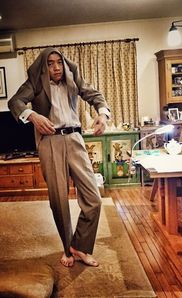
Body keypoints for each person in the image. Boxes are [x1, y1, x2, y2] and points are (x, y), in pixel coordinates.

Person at [8, 47, 110, 267]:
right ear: (44, 67)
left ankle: (80, 246)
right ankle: (67, 249)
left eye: (59, 62)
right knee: (59, 200)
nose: (56, 67)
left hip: (75, 139)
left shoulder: (73, 79)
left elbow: (95, 96)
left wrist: (102, 114)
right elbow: (15, 102)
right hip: (50, 141)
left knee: (94, 199)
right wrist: (33, 116)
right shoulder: (35, 83)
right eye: (50, 63)